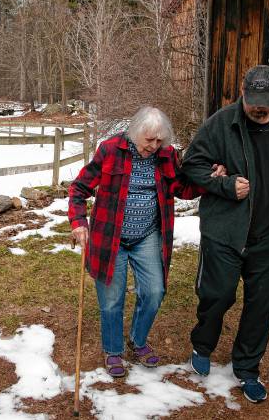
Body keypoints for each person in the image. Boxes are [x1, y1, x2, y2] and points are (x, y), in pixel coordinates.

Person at [181, 65, 269, 403]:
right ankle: (202, 346)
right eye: (253, 100)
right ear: (242, 91)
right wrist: (225, 184)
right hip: (225, 231)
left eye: (266, 102)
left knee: (260, 305)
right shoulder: (222, 122)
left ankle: (246, 367)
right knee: (217, 294)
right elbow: (191, 164)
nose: (259, 108)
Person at [68, 106, 225, 379]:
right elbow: (79, 188)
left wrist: (208, 180)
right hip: (110, 238)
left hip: (147, 236)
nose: (154, 146)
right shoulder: (109, 150)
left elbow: (182, 189)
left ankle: (137, 341)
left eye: (159, 141)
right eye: (149, 140)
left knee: (154, 291)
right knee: (111, 300)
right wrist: (79, 223)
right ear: (134, 133)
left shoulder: (167, 155)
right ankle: (113, 350)